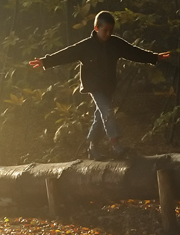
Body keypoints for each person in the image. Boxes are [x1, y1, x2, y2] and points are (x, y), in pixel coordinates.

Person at [30, 11, 170, 159]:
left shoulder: (115, 44)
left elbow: (133, 52)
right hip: (94, 86)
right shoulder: (86, 46)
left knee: (100, 116)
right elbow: (67, 53)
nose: (108, 34)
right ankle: (116, 145)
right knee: (108, 111)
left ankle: (92, 147)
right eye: (105, 30)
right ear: (97, 28)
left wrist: (153, 57)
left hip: (108, 86)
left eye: (111, 30)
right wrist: (46, 62)